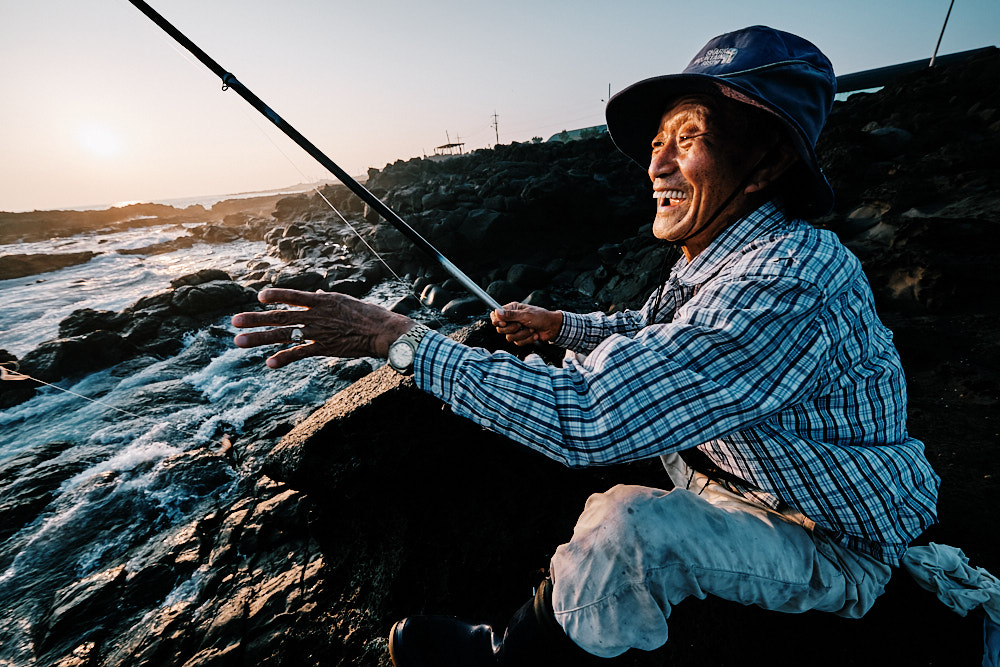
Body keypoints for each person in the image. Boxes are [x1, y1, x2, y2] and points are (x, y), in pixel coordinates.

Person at [232, 26, 940, 666]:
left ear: (767, 161)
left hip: (820, 533)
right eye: (658, 142)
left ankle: (510, 655)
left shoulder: (789, 281)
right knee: (590, 405)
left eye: (687, 138)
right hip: (740, 475)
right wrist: (561, 325)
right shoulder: (723, 254)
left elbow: (589, 415)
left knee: (627, 520)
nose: (657, 164)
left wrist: (396, 339)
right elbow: (656, 333)